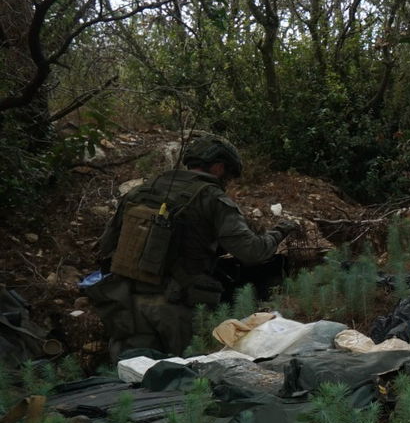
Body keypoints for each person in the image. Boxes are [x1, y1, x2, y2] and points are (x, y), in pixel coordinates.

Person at [88, 133, 302, 361]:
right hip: (176, 309)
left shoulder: (140, 191)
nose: (227, 183)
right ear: (219, 168)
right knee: (183, 382)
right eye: (228, 176)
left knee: (130, 382)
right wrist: (281, 231)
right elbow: (252, 252)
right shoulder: (212, 199)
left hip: (126, 305)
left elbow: (106, 247)